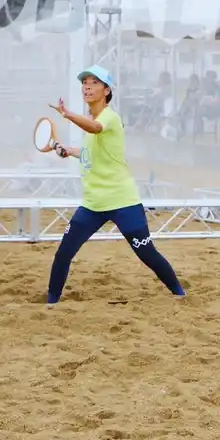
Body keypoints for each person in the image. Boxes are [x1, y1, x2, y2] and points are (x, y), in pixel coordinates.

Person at [45, 65, 185, 304]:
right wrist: (68, 150)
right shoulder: (92, 122)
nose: (87, 87)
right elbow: (90, 152)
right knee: (64, 253)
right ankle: (51, 303)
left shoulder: (109, 117)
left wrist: (66, 114)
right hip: (93, 204)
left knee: (147, 254)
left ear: (107, 90)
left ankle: (180, 294)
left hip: (123, 202)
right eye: (85, 82)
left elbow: (95, 128)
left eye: (94, 83)